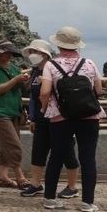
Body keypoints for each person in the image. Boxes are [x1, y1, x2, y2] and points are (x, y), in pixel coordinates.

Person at [40, 26, 105, 212]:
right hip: (89, 116)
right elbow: (99, 91)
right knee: (88, 157)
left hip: (61, 116)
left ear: (58, 44)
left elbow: (45, 92)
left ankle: (50, 199)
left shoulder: (50, 65)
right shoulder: (90, 63)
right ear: (77, 45)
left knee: (56, 157)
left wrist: (45, 109)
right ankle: (87, 203)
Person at [18, 39, 79, 198]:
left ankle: (72, 187)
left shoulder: (55, 69)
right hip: (40, 118)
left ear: (45, 54)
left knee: (67, 153)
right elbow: (33, 98)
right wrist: (33, 118)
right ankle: (36, 184)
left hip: (59, 117)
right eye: (31, 52)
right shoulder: (34, 71)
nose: (32, 55)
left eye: (35, 52)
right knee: (38, 151)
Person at [0, 38, 30, 189]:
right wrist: (16, 79)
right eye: (7, 52)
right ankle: (20, 176)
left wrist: (27, 80)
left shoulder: (15, 68)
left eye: (11, 52)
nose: (9, 55)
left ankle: (3, 177)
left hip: (14, 110)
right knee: (13, 145)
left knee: (6, 145)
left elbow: (23, 88)